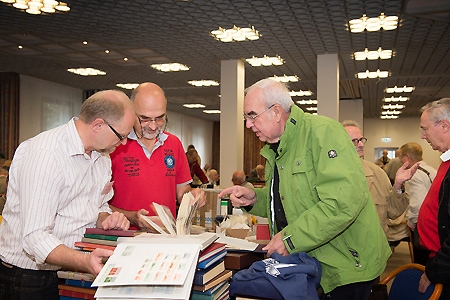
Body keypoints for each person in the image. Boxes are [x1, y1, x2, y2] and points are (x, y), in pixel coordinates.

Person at [219, 78, 391, 299]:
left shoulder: (323, 133)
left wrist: (289, 238)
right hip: (310, 262)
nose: (248, 124)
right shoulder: (276, 148)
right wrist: (255, 199)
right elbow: (288, 203)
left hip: (346, 265)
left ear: (277, 112)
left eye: (252, 115)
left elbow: (342, 203)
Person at [0, 90, 135, 300]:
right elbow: (35, 237)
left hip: (68, 269)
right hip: (27, 277)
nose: (124, 143)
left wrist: (106, 218)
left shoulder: (102, 157)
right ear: (98, 125)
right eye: (122, 136)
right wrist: (84, 261)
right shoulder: (46, 155)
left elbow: (98, 205)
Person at [109, 82, 206, 232]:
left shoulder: (173, 143)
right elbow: (96, 204)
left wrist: (192, 196)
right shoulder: (113, 145)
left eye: (160, 118)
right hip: (124, 239)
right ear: (131, 112)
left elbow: (182, 191)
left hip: (166, 238)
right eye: (145, 119)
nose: (153, 126)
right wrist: (132, 216)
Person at [341, 120, 418, 236]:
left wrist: (398, 185)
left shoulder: (378, 173)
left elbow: (393, 212)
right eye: (354, 141)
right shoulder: (325, 175)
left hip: (374, 246)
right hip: (340, 249)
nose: (361, 144)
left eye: (361, 140)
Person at [417, 98, 450, 298]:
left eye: (425, 129)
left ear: (444, 126)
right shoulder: (446, 160)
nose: (423, 136)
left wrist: (435, 270)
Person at [398, 142, 436, 264]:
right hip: (435, 223)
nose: (400, 160)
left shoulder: (412, 175)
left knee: (421, 263)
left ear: (408, 157)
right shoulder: (432, 170)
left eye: (401, 157)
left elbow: (417, 203)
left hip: (422, 225)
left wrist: (412, 222)